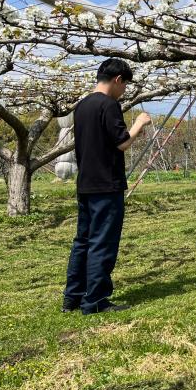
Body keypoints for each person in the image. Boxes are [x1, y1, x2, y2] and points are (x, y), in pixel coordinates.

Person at [62, 59, 152, 314]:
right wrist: (139, 123)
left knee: (83, 241)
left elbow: (103, 139)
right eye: (125, 85)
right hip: (106, 184)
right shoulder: (109, 104)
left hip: (86, 183)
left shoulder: (82, 106)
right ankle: (96, 301)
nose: (124, 91)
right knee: (103, 242)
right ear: (117, 79)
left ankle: (73, 297)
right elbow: (121, 143)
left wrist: (130, 132)